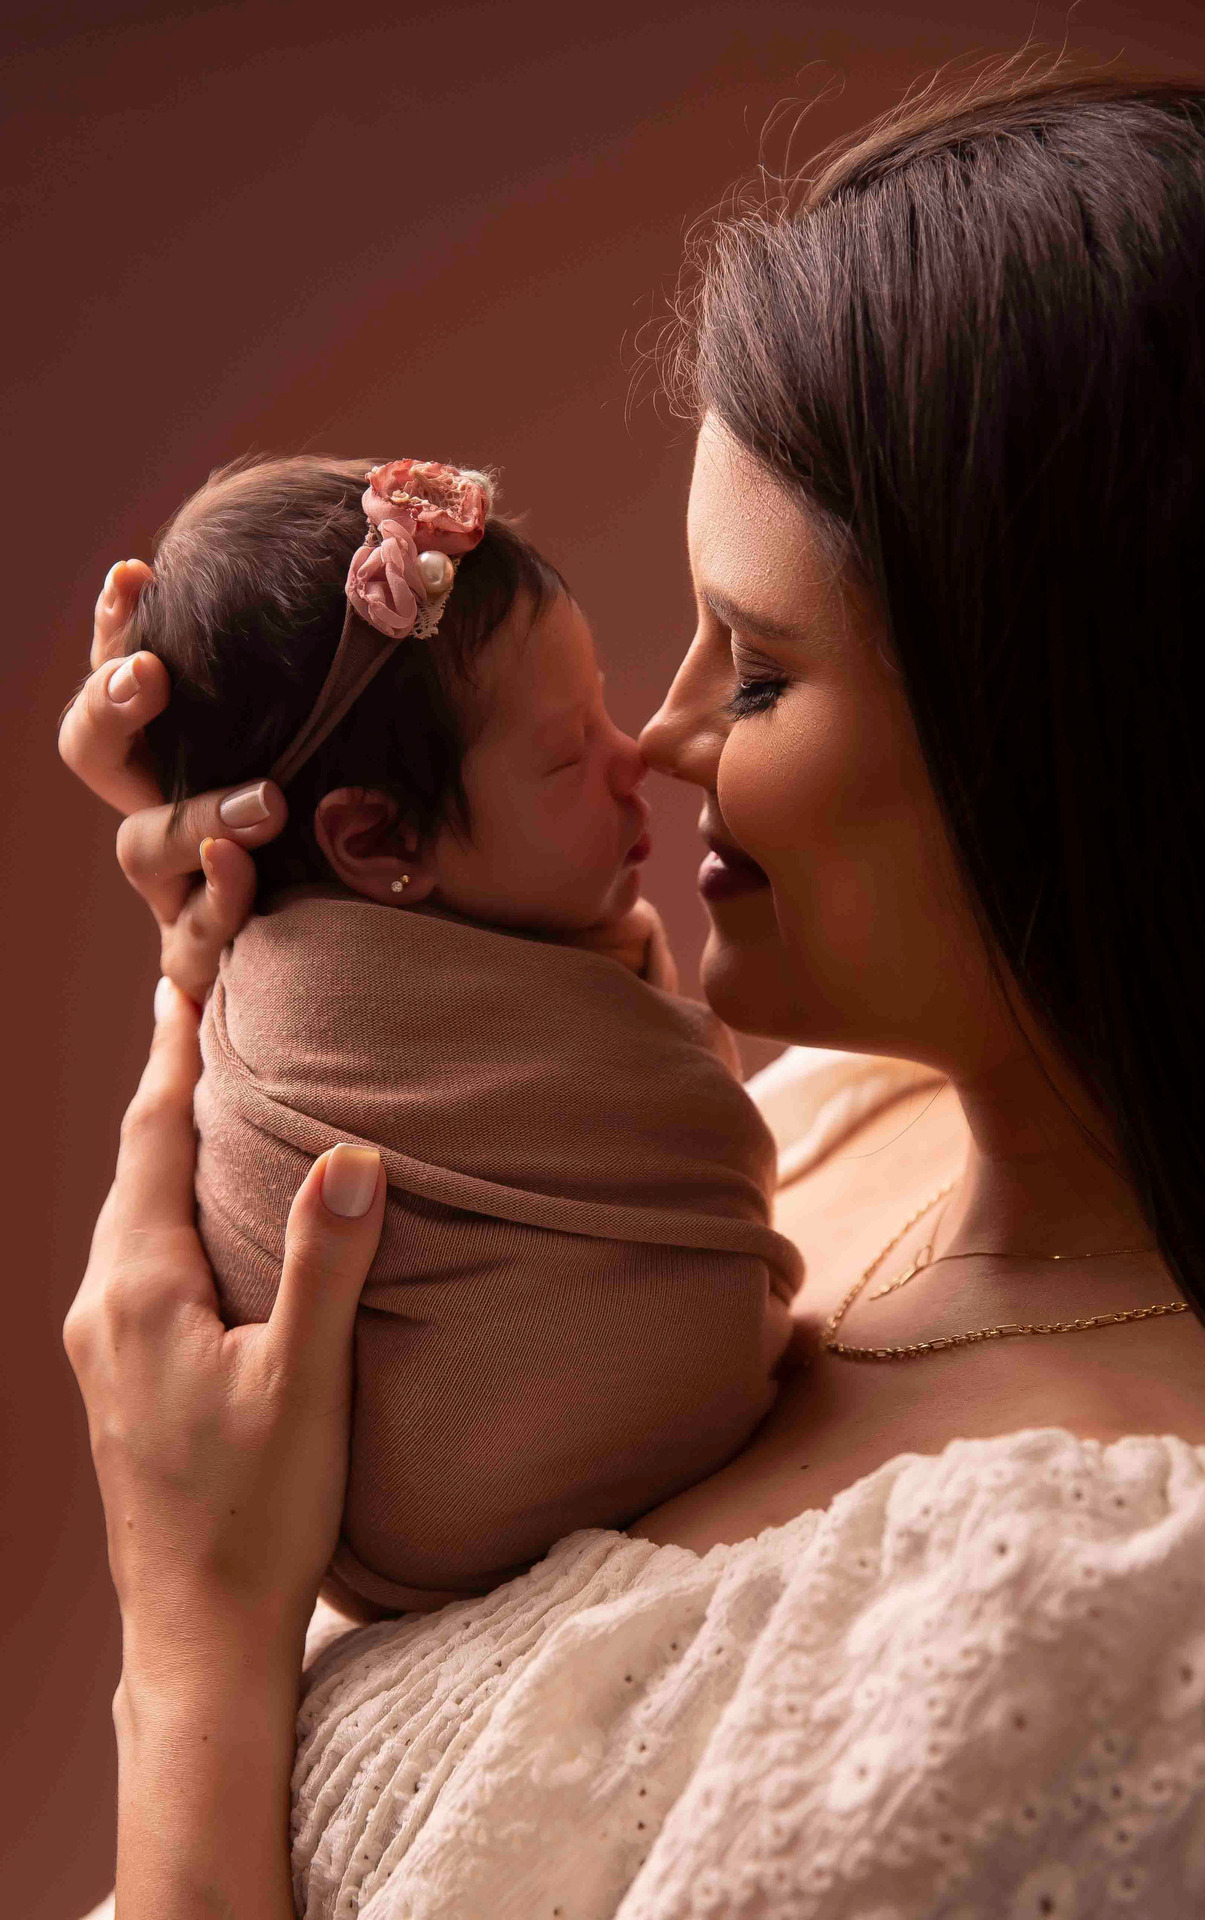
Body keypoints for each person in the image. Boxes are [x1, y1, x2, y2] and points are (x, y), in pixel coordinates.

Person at [61, 68, 1205, 1918]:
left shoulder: (1099, 1615)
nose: (665, 733)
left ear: (1075, 742)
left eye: (766, 673)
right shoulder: (809, 1130)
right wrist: (309, 950)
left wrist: (196, 1655)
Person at [106, 449, 796, 1617]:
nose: (637, 760)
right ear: (376, 845)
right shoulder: (306, 1009)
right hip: (449, 1496)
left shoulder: (476, 946)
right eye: (568, 752)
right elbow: (683, 1122)